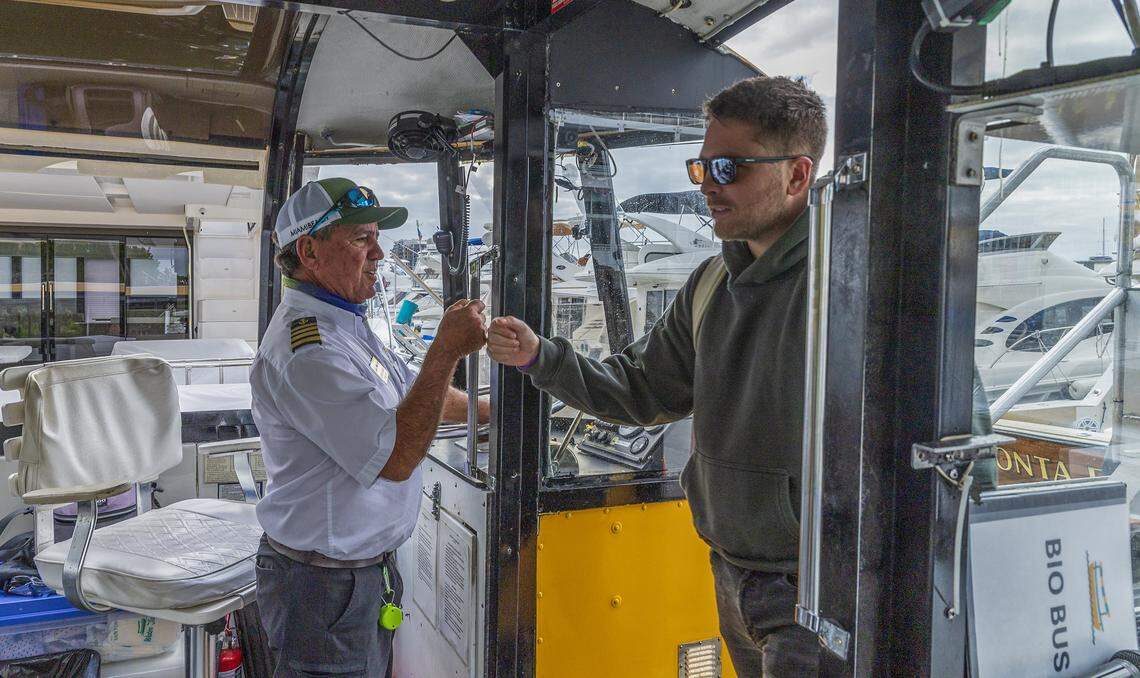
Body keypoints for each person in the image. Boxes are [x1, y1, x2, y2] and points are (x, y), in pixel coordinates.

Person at [487, 76, 825, 676]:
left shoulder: (849, 286)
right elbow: (645, 389)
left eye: (728, 169)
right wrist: (541, 358)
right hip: (731, 569)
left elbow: (948, 439)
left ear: (798, 175)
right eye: (701, 171)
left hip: (816, 591)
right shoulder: (711, 284)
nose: (709, 189)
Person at [251, 178, 489, 677]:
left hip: (359, 578)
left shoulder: (348, 326)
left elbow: (416, 399)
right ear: (309, 250)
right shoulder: (307, 352)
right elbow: (396, 458)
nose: (379, 252)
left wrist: (501, 411)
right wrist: (445, 348)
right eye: (361, 240)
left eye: (375, 238)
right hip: (323, 591)